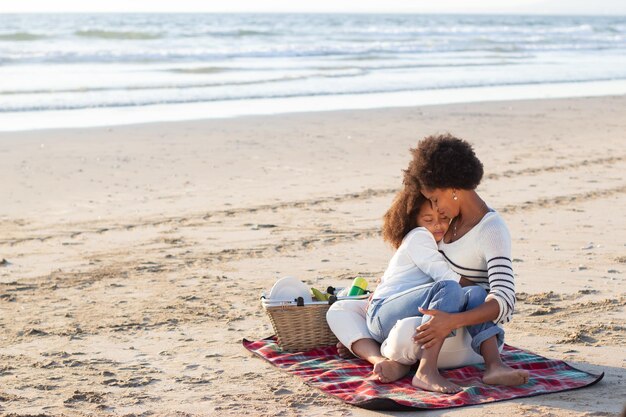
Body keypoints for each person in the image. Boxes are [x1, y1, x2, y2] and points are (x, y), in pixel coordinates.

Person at [327, 133, 529, 391]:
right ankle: (389, 356)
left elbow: (505, 299)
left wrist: (452, 321)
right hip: (435, 314)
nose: (435, 209)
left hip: (466, 331)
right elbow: (418, 269)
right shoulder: (446, 223)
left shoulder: (491, 229)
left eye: (435, 199)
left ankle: (425, 368)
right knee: (341, 309)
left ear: (453, 188)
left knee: (421, 321)